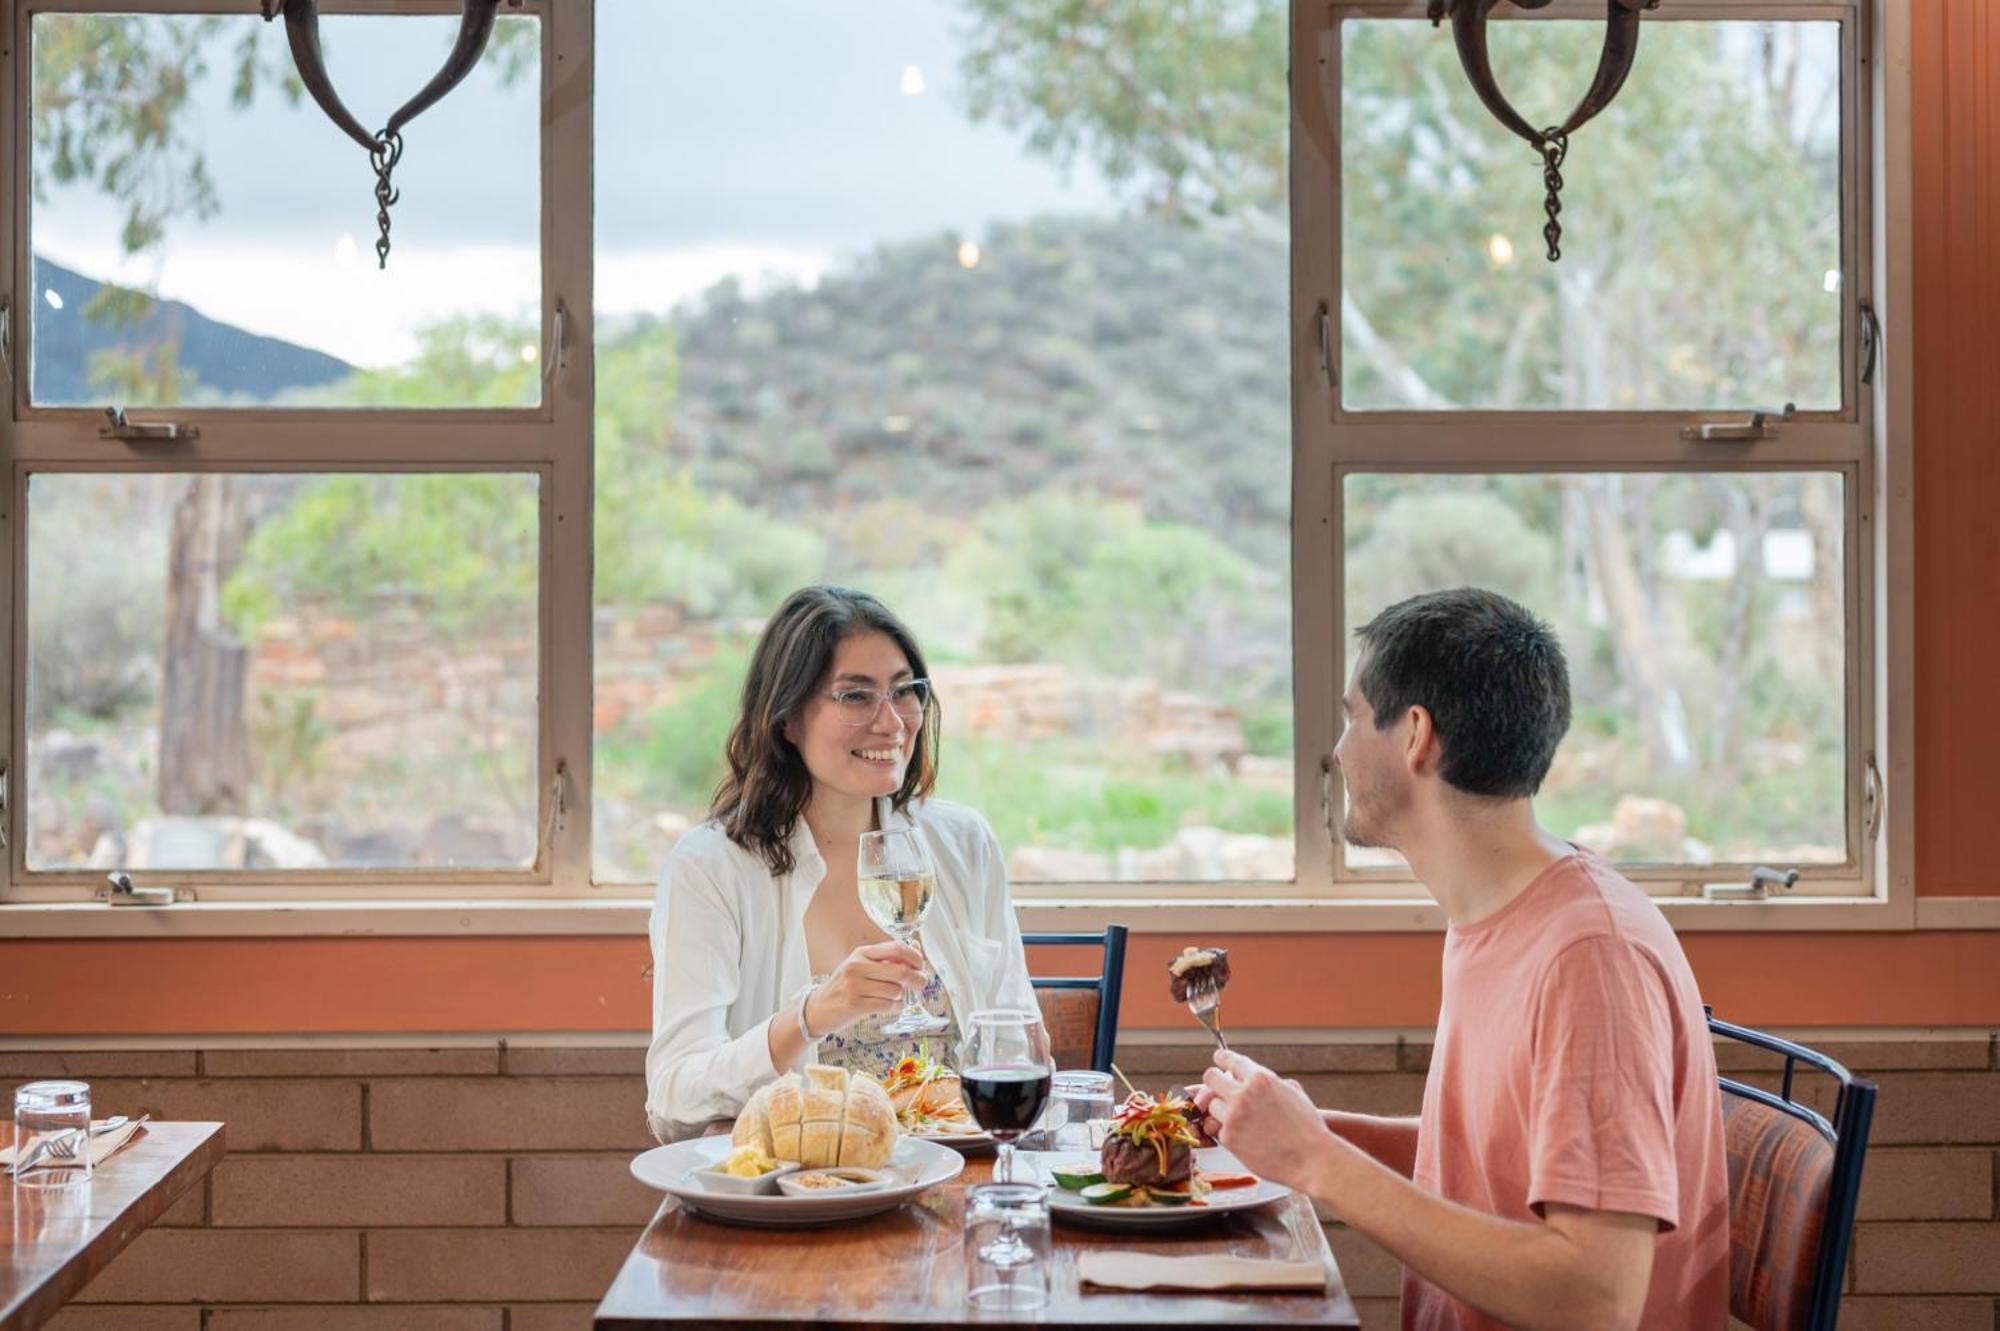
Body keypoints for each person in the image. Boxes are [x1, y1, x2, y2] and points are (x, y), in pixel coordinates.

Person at [1196, 588, 1729, 1331]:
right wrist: (1307, 1132)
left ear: (1416, 734)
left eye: (1352, 718)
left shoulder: (1591, 956)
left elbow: (1595, 1296)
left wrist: (1319, 1160)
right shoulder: (1498, 911)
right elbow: (1489, 1162)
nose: (1339, 748)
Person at [644, 585, 1036, 1142]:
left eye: (905, 692)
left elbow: (1018, 1043)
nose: (892, 723)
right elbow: (673, 1097)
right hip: (804, 1191)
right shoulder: (711, 867)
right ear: (786, 717)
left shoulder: (963, 842)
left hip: (959, 1177)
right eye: (855, 696)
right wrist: (811, 1014)